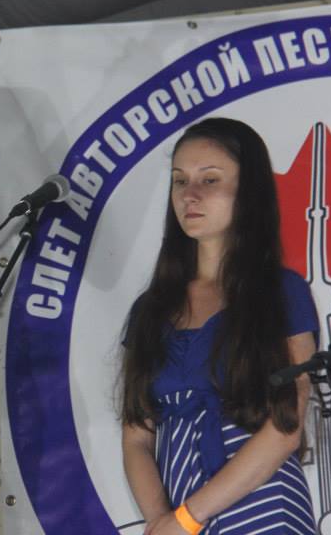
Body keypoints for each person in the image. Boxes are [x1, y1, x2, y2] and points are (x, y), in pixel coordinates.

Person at [119, 117, 319, 534]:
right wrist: (161, 522)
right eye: (179, 181)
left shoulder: (281, 292)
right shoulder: (149, 310)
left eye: (209, 180)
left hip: (264, 511)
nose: (189, 195)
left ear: (249, 192)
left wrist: (187, 518)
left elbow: (286, 426)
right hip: (179, 517)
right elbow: (136, 437)